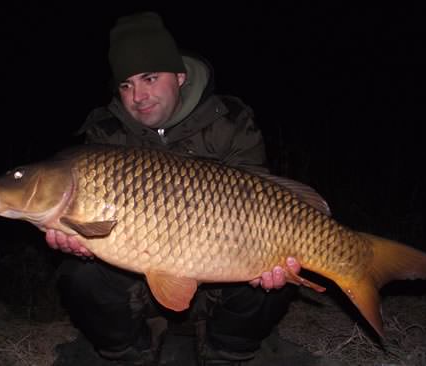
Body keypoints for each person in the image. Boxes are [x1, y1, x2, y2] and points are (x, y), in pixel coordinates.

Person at [48, 11, 304, 366]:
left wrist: (267, 257)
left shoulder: (229, 122)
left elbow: (259, 199)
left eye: (149, 78)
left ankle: (224, 352)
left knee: (273, 277)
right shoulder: (105, 135)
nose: (138, 96)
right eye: (125, 85)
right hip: (141, 285)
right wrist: (81, 244)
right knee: (80, 276)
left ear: (179, 76)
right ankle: (132, 351)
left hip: (223, 271)